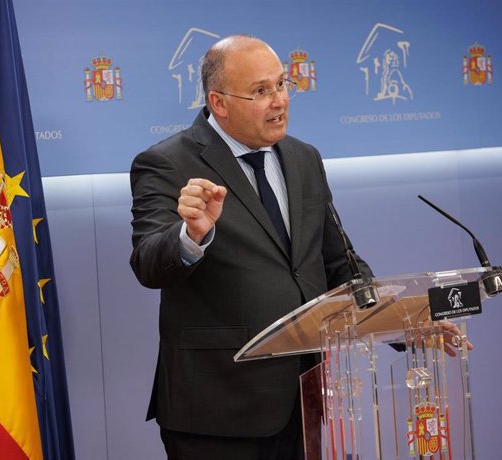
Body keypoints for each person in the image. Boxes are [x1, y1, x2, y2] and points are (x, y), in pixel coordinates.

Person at [129, 34, 373, 460]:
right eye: (260, 91)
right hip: (215, 414)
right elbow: (149, 265)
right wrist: (192, 236)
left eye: (281, 85)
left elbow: (338, 262)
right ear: (218, 103)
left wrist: (407, 323)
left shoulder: (304, 158)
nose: (278, 101)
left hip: (303, 401)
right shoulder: (166, 163)